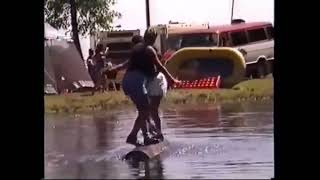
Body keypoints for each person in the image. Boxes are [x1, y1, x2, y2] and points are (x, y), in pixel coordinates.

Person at [108, 29, 180, 145]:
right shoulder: (150, 49)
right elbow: (160, 66)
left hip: (127, 80)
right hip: (137, 81)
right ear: (154, 38)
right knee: (146, 110)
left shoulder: (136, 48)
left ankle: (136, 136)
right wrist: (172, 79)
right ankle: (143, 137)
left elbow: (126, 64)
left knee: (143, 111)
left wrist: (115, 68)